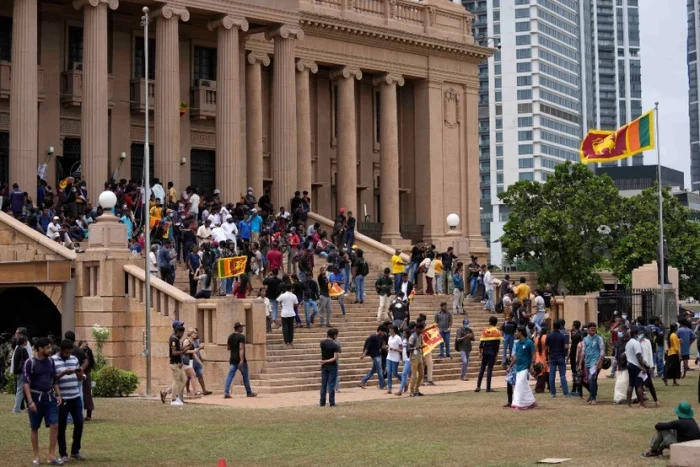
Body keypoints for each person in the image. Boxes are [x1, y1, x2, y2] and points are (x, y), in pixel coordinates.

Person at [24, 337, 63, 466]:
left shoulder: (51, 361)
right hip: (36, 399)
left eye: (50, 347)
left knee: (54, 425)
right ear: (40, 349)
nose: (50, 350)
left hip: (50, 398)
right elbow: (26, 383)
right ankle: (36, 456)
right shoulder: (30, 362)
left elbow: (54, 379)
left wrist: (58, 395)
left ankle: (51, 456)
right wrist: (30, 401)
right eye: (47, 347)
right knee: (34, 427)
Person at [53, 339, 85, 463]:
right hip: (62, 398)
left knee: (79, 422)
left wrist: (80, 374)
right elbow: (52, 379)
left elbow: (79, 378)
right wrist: (64, 373)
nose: (68, 355)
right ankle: (63, 453)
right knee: (62, 426)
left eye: (70, 352)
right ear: (61, 350)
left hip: (75, 396)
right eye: (66, 352)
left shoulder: (74, 359)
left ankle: (75, 451)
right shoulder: (53, 360)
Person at [223, 322, 257, 399]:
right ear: (238, 328)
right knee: (245, 376)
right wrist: (241, 360)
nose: (242, 328)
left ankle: (226, 392)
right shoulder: (241, 337)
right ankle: (249, 392)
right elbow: (241, 348)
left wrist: (233, 348)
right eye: (241, 327)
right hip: (240, 360)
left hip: (232, 359)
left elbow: (228, 348)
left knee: (230, 375)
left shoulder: (230, 336)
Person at [508, 326, 536, 410]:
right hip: (518, 367)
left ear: (521, 332)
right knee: (525, 385)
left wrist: (531, 365)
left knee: (519, 385)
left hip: (525, 367)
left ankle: (518, 404)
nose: (515, 334)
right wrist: (510, 366)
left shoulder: (529, 342)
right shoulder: (517, 344)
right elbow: (515, 357)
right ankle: (531, 401)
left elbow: (533, 354)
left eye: (517, 332)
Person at [580, 322, 605, 405]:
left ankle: (593, 398)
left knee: (591, 379)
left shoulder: (599, 338)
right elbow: (583, 351)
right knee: (591, 380)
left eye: (594, 329)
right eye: (591, 329)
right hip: (587, 362)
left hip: (595, 362)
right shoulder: (585, 339)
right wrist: (580, 363)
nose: (593, 331)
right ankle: (592, 396)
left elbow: (602, 350)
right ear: (588, 330)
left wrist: (599, 361)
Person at [475, 316, 501, 392]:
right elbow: (497, 345)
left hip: (485, 351)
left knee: (482, 369)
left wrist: (480, 352)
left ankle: (478, 386)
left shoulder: (485, 331)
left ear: (489, 322)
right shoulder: (497, 331)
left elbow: (481, 343)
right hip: (492, 352)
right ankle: (488, 387)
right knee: (489, 369)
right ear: (496, 323)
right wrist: (496, 355)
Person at [625, 326, 648, 408]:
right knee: (639, 385)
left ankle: (628, 404)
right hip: (636, 366)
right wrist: (642, 366)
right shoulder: (636, 343)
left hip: (629, 364)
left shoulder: (628, 343)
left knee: (631, 384)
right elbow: (638, 355)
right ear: (635, 334)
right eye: (638, 334)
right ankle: (641, 403)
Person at [546, 320, 570, 397]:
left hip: (552, 356)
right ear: (559, 327)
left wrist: (547, 357)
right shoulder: (562, 336)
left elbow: (547, 347)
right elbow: (566, 346)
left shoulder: (549, 336)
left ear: (553, 326)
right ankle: (565, 392)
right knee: (562, 375)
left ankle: (553, 393)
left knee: (552, 376)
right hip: (560, 356)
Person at [319, 328, 340, 407]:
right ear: (334, 335)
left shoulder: (322, 343)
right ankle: (332, 402)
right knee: (331, 384)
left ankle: (322, 402)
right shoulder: (335, 345)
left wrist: (324, 361)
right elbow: (335, 358)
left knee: (323, 384)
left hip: (324, 365)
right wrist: (327, 361)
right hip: (332, 365)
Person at [167, 325, 186, 406]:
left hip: (179, 364)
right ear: (177, 332)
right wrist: (183, 352)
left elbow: (179, 349)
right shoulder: (173, 340)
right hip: (174, 364)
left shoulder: (177, 339)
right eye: (181, 333)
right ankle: (173, 399)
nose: (182, 335)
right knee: (176, 381)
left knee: (184, 380)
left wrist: (185, 348)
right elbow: (174, 353)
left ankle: (176, 396)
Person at [640, 329, 659, 407]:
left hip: (646, 365)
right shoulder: (636, 342)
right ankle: (641, 401)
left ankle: (655, 400)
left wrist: (651, 365)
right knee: (639, 384)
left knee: (649, 383)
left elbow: (650, 353)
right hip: (639, 365)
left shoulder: (647, 342)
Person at [407, 321, 425, 397]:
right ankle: (411, 391)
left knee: (421, 375)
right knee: (414, 376)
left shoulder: (420, 336)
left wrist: (422, 354)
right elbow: (408, 348)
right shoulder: (412, 337)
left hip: (419, 357)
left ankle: (416, 389)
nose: (421, 330)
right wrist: (417, 347)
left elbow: (421, 345)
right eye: (421, 329)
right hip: (414, 358)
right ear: (417, 329)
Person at [386, 326, 403, 394]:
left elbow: (401, 349)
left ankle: (403, 381)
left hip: (395, 357)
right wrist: (388, 348)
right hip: (389, 356)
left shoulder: (398, 338)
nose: (389, 331)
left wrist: (394, 349)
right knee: (388, 372)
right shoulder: (389, 337)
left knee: (395, 373)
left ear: (393, 330)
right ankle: (389, 388)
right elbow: (389, 345)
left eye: (390, 329)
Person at [534, 325, 549, 394]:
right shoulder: (546, 337)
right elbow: (547, 348)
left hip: (538, 356)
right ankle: (539, 388)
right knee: (545, 372)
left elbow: (535, 348)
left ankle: (540, 388)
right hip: (544, 355)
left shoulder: (536, 338)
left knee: (540, 372)